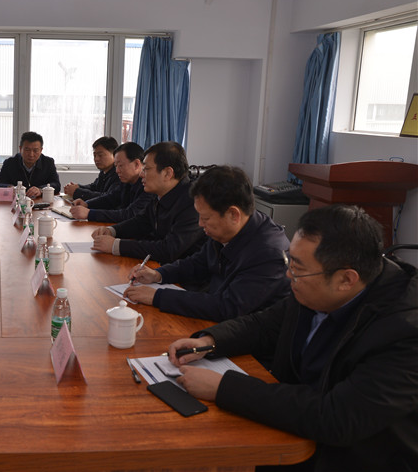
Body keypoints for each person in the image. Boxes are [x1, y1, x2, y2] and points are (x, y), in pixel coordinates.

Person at [167, 205, 418, 472]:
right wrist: (209, 341)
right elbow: (266, 324)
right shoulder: (317, 287)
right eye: (290, 261)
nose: (289, 275)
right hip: (292, 429)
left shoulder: (405, 332)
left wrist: (224, 387)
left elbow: (337, 417)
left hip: (352, 457)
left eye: (297, 268)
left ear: (346, 279)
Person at [126, 165, 290, 321]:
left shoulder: (269, 253)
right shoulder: (228, 229)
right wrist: (159, 274)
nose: (200, 224)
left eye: (205, 218)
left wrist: (158, 296)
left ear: (233, 214)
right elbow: (199, 262)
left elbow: (229, 307)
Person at [91, 141, 205, 263]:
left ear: (167, 173)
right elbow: (141, 222)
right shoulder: (161, 194)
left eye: (146, 169)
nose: (141, 174)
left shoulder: (194, 202)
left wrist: (116, 246)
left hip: (181, 272)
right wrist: (112, 230)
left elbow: (169, 249)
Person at [69, 141, 151, 223]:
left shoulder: (149, 186)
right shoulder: (127, 181)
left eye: (121, 165)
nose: (117, 171)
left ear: (137, 164)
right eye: (116, 166)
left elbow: (129, 214)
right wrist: (87, 204)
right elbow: (110, 198)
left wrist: (89, 213)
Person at [0, 131, 61, 199]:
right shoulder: (10, 163)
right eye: (27, 150)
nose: (31, 154)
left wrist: (40, 190)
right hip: (17, 202)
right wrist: (9, 188)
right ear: (20, 149)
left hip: (40, 202)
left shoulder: (48, 162)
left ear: (41, 150)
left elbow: (56, 185)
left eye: (35, 150)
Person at [63, 136, 119, 200]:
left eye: (100, 155)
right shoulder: (104, 172)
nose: (96, 159)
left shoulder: (119, 173)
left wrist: (77, 191)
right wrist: (77, 187)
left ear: (114, 155)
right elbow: (94, 187)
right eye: (94, 155)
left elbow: (107, 197)